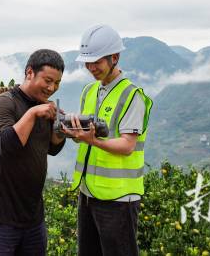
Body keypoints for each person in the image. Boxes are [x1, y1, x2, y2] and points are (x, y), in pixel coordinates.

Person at [63, 25, 153, 256]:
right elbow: (87, 138)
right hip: (88, 192)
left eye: (97, 62)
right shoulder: (89, 91)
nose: (91, 68)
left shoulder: (132, 95)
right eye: (87, 62)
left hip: (119, 198)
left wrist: (92, 140)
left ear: (115, 57)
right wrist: (74, 132)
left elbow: (127, 146)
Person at [0, 49, 67, 256]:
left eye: (57, 83)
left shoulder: (45, 107)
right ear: (29, 73)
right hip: (0, 215)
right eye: (48, 80)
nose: (52, 88)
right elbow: (7, 146)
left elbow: (52, 148)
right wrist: (33, 113)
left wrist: (61, 129)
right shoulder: (5, 102)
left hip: (33, 217)